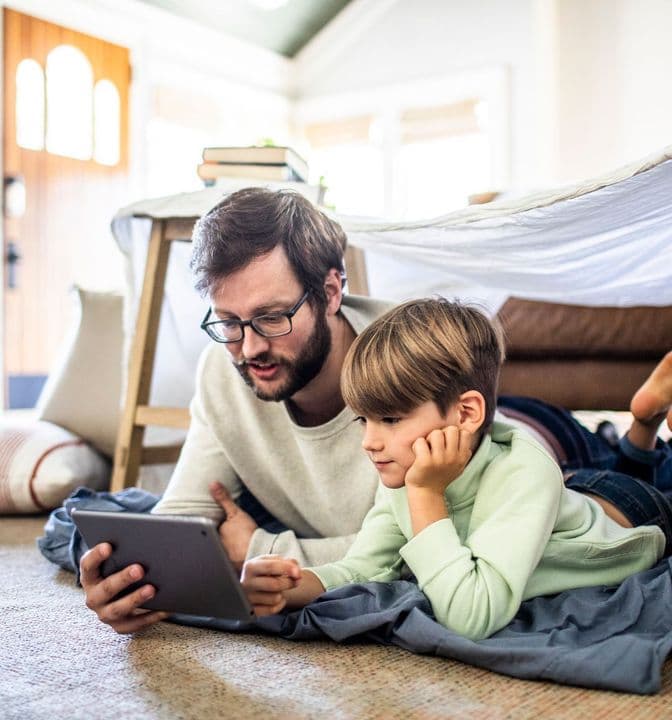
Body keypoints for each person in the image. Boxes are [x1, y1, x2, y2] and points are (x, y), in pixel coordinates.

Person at [239, 298, 672, 640]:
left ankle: (645, 426)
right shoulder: (403, 473)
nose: (370, 442)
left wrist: (426, 497)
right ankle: (644, 424)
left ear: (465, 413)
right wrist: (294, 585)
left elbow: (472, 615)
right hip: (564, 494)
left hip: (628, 511)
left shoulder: (519, 472)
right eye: (363, 420)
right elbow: (362, 570)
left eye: (390, 420)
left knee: (657, 484)